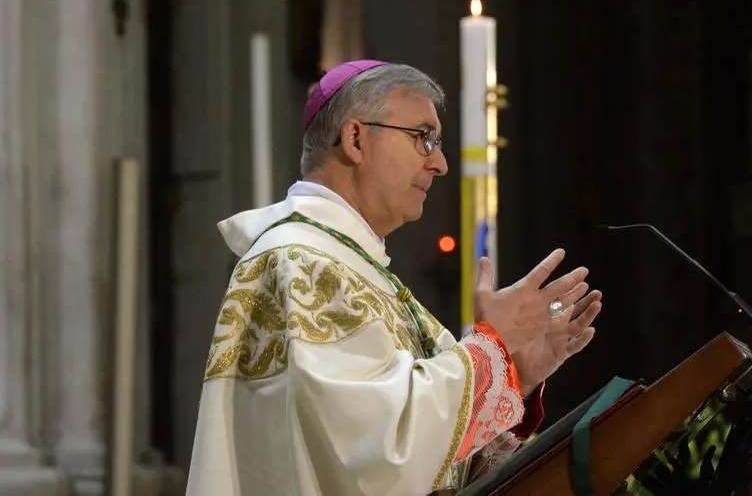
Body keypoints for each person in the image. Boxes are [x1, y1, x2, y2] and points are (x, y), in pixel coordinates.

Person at [185, 60, 603, 496]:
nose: (440, 163)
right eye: (423, 138)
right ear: (356, 139)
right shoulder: (299, 262)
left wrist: (513, 373)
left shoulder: (355, 267)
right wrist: (490, 350)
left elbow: (416, 456)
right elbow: (371, 456)